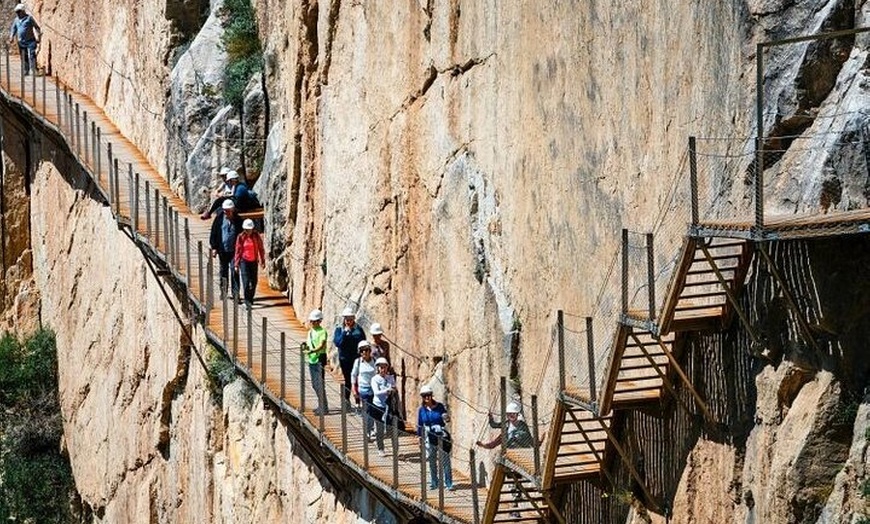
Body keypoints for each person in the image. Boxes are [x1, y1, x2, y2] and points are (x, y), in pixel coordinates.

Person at [416, 385, 454, 490]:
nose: (427, 398)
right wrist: (419, 438)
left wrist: (446, 417)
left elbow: (445, 417)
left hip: (441, 435)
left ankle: (449, 483)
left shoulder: (439, 406)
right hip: (430, 437)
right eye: (424, 396)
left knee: (445, 460)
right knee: (432, 460)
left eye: (428, 395)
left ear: (431, 395)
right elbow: (419, 424)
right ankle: (434, 482)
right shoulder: (421, 410)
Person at [209, 199, 242, 302]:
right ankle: (223, 293)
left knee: (234, 271)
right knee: (223, 272)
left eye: (228, 210)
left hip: (234, 251)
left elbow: (242, 236)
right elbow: (214, 233)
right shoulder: (219, 219)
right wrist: (214, 247)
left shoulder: (238, 221)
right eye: (224, 210)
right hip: (222, 250)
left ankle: (236, 294)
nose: (226, 212)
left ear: (232, 210)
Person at [333, 307, 366, 409]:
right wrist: (345, 333)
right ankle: (346, 401)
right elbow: (338, 343)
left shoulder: (358, 330)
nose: (349, 321)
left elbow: (362, 342)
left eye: (350, 319)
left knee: (357, 379)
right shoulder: (339, 329)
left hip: (356, 359)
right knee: (348, 380)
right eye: (347, 319)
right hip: (344, 359)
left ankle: (358, 402)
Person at [233, 218, 265, 310]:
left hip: (254, 261)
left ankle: (250, 298)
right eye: (247, 229)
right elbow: (238, 250)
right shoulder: (241, 237)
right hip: (244, 262)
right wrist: (236, 264)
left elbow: (261, 248)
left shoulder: (256, 236)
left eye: (249, 229)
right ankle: (247, 301)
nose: (248, 231)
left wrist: (262, 260)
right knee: (246, 282)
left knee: (254, 282)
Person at [304, 309, 329, 415]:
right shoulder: (310, 332)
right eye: (311, 321)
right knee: (315, 384)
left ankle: (323, 407)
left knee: (319, 383)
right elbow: (308, 344)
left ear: (319, 321)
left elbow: (322, 345)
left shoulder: (322, 332)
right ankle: (322, 405)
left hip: (319, 358)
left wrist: (313, 350)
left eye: (314, 321)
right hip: (312, 358)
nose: (312, 323)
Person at [370, 357, 395, 457]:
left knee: (392, 428)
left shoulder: (390, 378)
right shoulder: (375, 379)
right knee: (379, 429)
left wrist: (391, 390)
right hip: (378, 406)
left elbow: (393, 387)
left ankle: (395, 450)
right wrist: (387, 390)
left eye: (384, 367)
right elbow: (376, 392)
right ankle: (381, 448)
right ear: (378, 368)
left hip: (388, 406)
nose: (383, 369)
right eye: (381, 367)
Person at [351, 340, 377, 438]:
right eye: (362, 351)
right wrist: (354, 388)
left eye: (366, 350)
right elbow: (354, 375)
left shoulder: (374, 361)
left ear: (369, 350)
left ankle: (370, 429)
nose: (364, 353)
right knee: (367, 410)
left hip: (374, 389)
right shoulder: (358, 362)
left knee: (373, 410)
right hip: (364, 389)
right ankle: (368, 430)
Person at [8, 4, 40, 76]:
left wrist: (38, 36)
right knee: (24, 56)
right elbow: (13, 29)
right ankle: (26, 70)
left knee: (32, 55)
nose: (18, 13)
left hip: (31, 40)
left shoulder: (29, 18)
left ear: (23, 11)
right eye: (17, 12)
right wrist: (11, 37)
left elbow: (37, 27)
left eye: (19, 11)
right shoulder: (16, 20)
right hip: (21, 42)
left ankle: (34, 69)